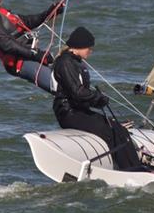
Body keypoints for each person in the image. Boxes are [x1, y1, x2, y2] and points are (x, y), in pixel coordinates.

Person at [52, 27, 145, 171]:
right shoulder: (65, 63)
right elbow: (77, 92)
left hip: (78, 111)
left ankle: (136, 167)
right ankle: (127, 169)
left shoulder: (76, 62)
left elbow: (81, 94)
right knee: (109, 131)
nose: (90, 51)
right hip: (68, 113)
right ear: (79, 46)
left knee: (120, 129)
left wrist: (97, 100)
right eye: (88, 48)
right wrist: (97, 97)